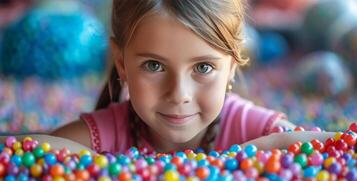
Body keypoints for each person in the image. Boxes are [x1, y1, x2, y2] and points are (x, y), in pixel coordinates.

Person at [52, 0, 334, 154]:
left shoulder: (251, 126)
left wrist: (253, 151)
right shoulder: (110, 132)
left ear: (232, 67)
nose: (179, 94)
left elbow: (336, 145)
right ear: (121, 63)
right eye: (153, 66)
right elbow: (16, 147)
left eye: (203, 68)